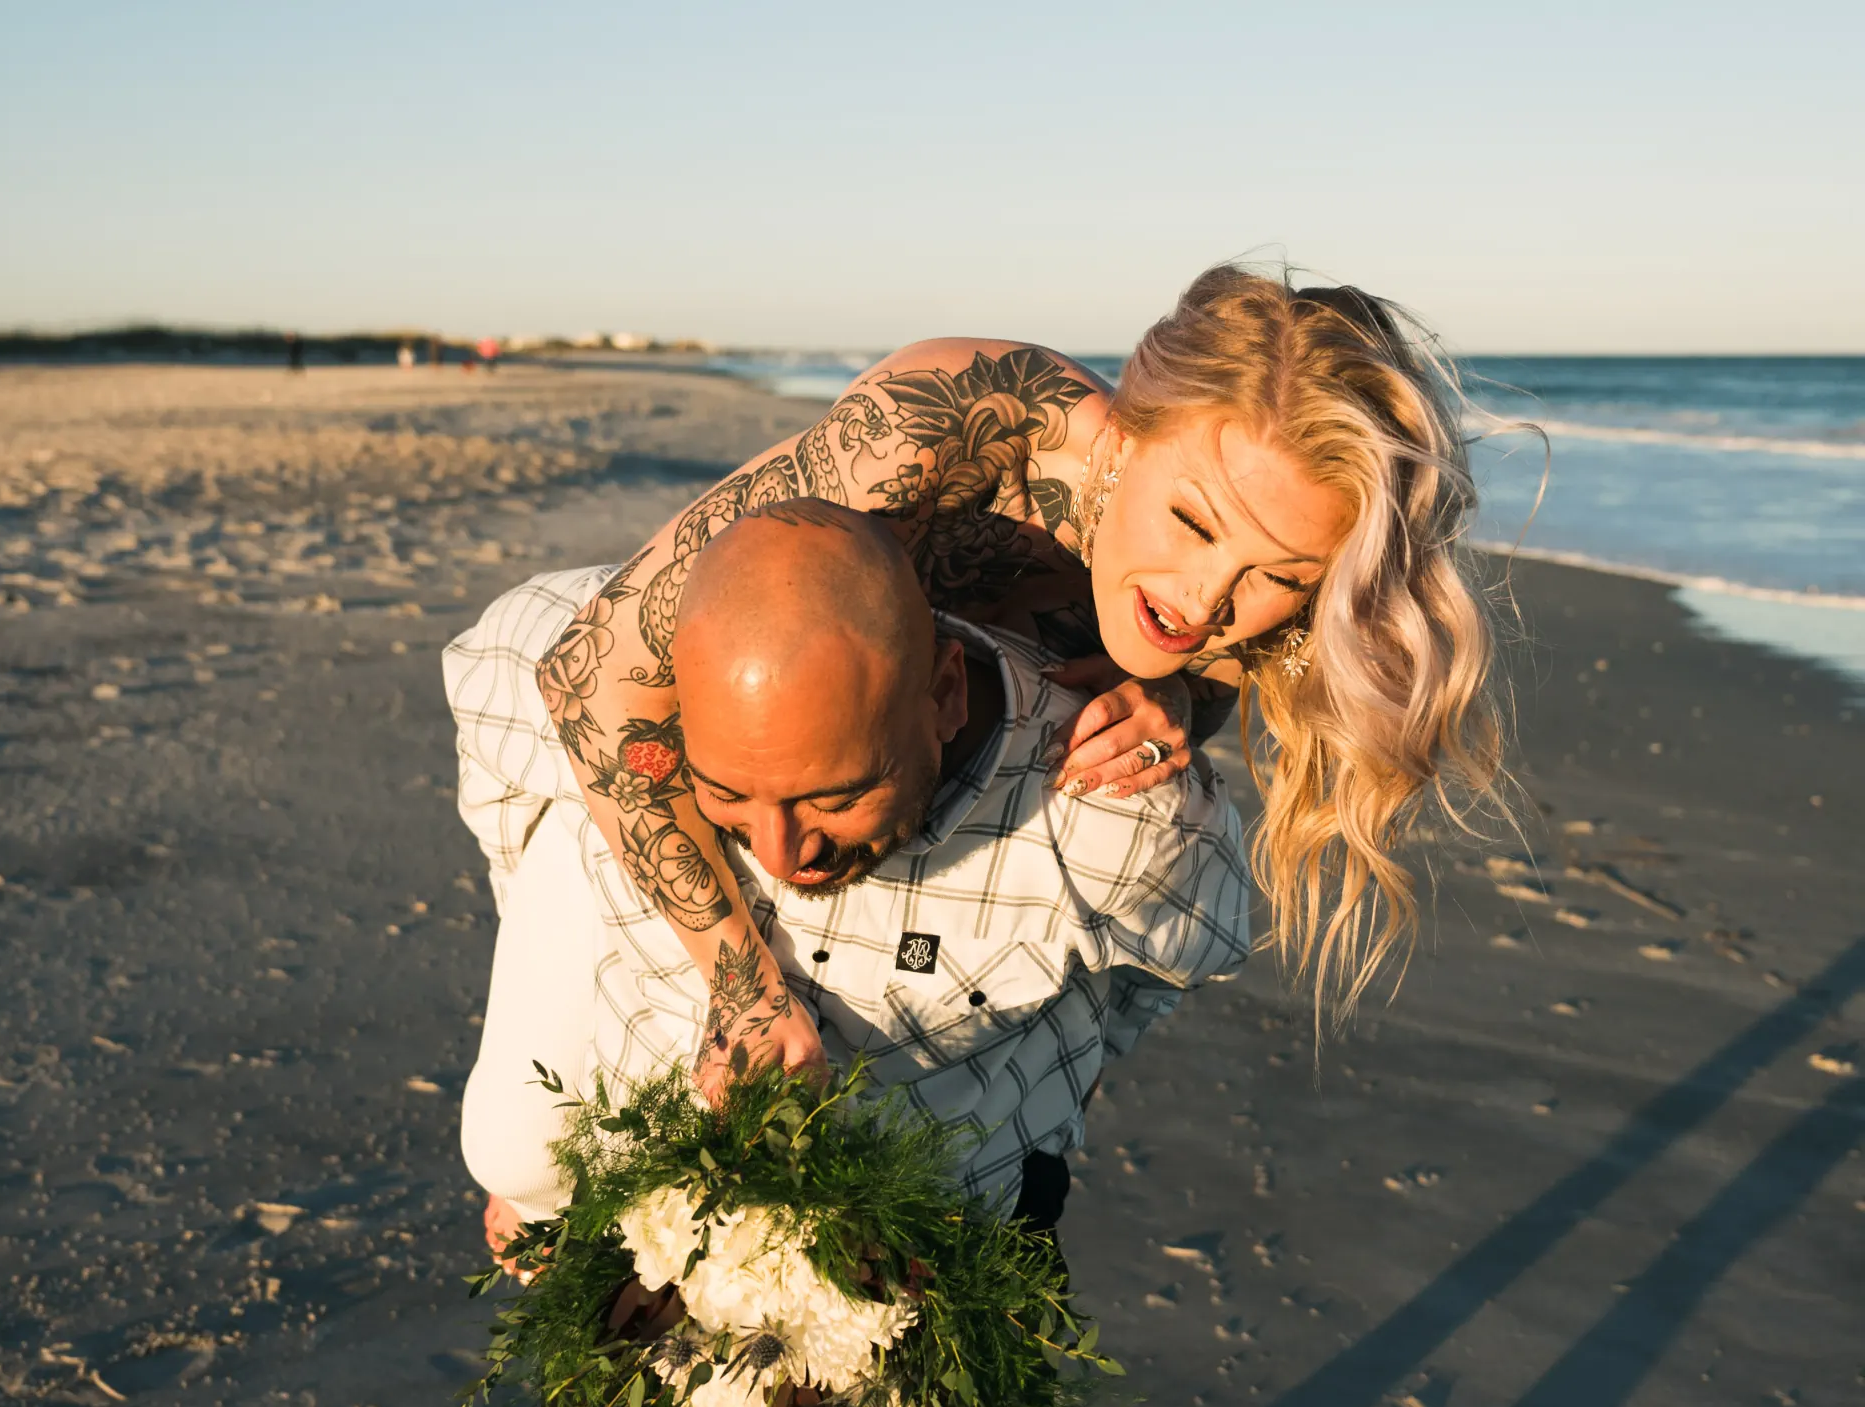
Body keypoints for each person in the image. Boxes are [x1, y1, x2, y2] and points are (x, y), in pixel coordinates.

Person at [445, 498, 1251, 1407]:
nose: (781, 850)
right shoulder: (564, 654)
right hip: (669, 1214)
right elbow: (515, 800)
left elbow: (1185, 956)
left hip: (949, 1245)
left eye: (834, 797)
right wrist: (553, 1074)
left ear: (934, 694)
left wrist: (1043, 1090)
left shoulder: (1107, 821)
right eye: (731, 796)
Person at [535, 264, 1505, 1099]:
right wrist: (742, 986)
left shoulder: (1267, 577)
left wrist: (1180, 696)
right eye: (1193, 523)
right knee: (542, 1127)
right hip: (688, 750)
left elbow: (1232, 661)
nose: (1206, 597)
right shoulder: (951, 424)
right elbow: (592, 680)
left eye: (1279, 578)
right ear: (1124, 437)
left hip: (906, 788)